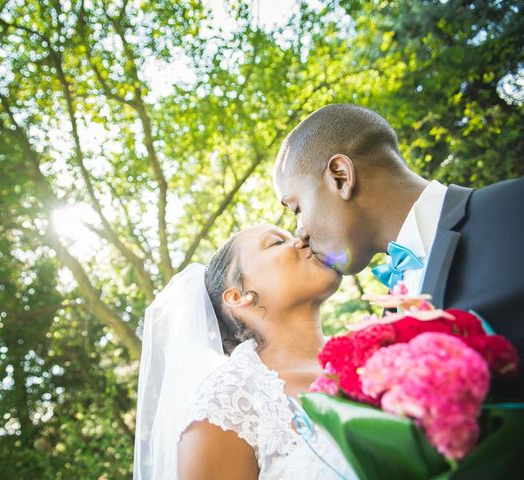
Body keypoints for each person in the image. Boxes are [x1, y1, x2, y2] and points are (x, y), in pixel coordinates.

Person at [273, 103, 524, 401]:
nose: (300, 231)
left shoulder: (513, 209)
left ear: (340, 177)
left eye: (297, 208)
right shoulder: (389, 315)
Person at [133, 224, 356, 479]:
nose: (303, 238)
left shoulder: (372, 358)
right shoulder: (225, 406)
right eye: (276, 242)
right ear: (238, 296)